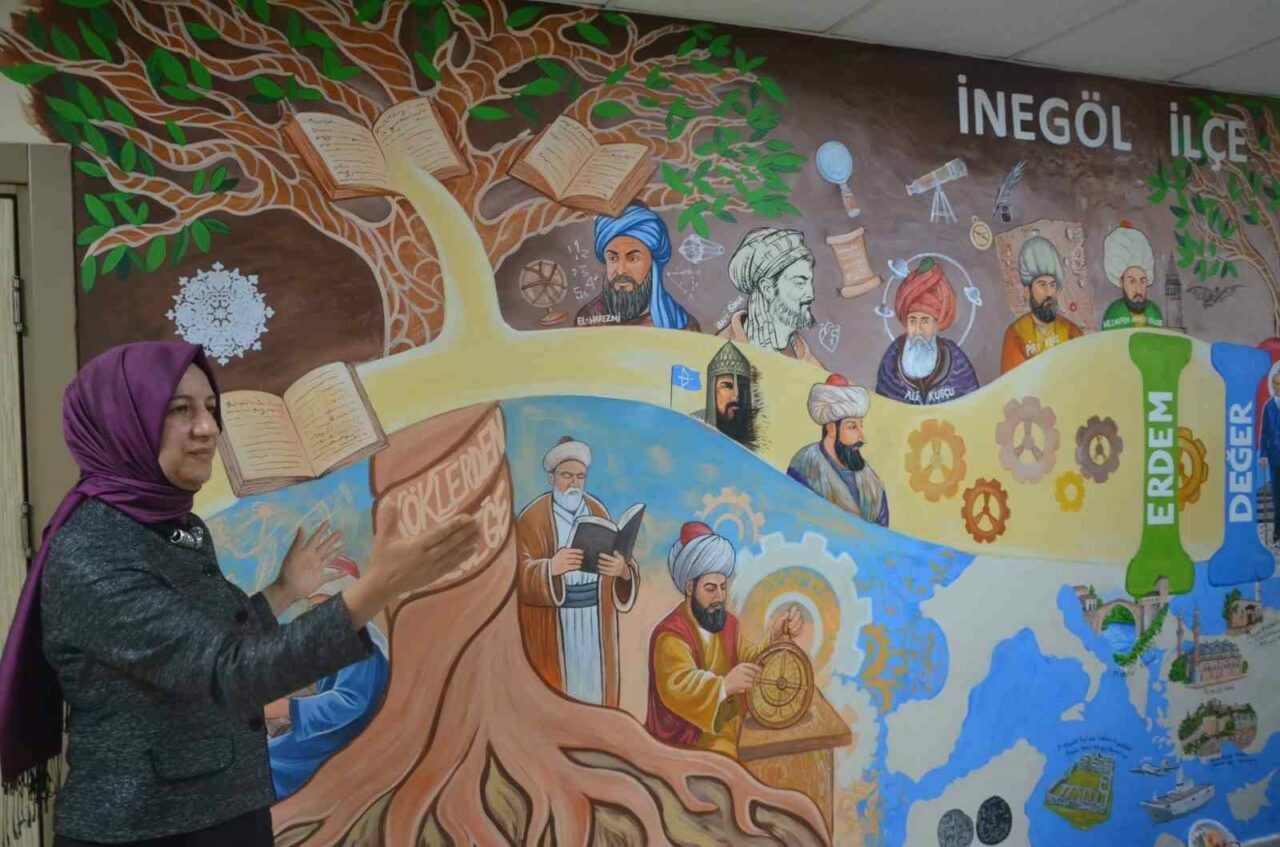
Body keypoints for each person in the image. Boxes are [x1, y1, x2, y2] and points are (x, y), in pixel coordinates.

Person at [0, 341, 478, 847]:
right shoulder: (94, 553)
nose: (207, 428)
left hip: (223, 810)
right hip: (147, 829)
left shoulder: (173, 526)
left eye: (211, 408)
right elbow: (229, 674)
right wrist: (377, 589)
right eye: (179, 410)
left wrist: (283, 592)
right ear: (122, 422)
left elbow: (199, 647)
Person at [644, 522, 800, 760]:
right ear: (690, 587)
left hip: (728, 730)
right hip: (685, 744)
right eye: (710, 588)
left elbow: (750, 661)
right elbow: (679, 687)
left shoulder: (728, 624)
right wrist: (724, 686)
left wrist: (775, 638)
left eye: (723, 587)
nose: (719, 597)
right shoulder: (670, 636)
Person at [515, 436, 638, 707]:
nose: (574, 483)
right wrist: (551, 568)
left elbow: (619, 555)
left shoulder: (597, 510)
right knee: (560, 696)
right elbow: (516, 576)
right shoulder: (532, 518)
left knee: (595, 691)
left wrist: (623, 571)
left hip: (596, 619)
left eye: (580, 477)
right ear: (552, 478)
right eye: (566, 475)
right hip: (555, 623)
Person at [265, 560, 390, 800]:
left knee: (264, 763)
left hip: (342, 740)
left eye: (322, 608)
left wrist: (286, 708)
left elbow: (350, 703)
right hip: (331, 732)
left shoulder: (360, 644)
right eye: (312, 609)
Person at [575, 204, 700, 331]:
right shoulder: (588, 318)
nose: (620, 270)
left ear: (653, 263)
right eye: (613, 258)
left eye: (633, 259)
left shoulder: (681, 326)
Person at [788, 375, 889, 527]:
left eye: (860, 426)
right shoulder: (804, 467)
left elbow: (882, 532)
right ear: (831, 428)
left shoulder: (872, 484)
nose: (862, 437)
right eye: (852, 427)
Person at [875, 258, 979, 404]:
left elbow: (972, 405)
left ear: (936, 323)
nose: (918, 330)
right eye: (912, 321)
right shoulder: (892, 359)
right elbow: (883, 408)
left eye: (925, 321)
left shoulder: (956, 359)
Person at [719, 227, 823, 365]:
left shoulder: (811, 365)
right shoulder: (720, 353)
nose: (811, 294)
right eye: (800, 283)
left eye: (810, 282)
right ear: (767, 288)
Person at [1000, 235, 1083, 373]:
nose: (1049, 293)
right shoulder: (1015, 335)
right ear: (1027, 291)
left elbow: (1084, 371)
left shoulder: (1071, 331)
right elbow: (1014, 382)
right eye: (1042, 285)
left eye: (1053, 285)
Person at [690, 341, 760, 450]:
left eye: (742, 386)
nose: (736, 395)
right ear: (712, 389)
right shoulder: (692, 426)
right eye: (727, 386)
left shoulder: (755, 446)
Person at [1101, 222, 1164, 330]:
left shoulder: (1154, 312)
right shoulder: (1113, 313)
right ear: (1121, 282)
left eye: (1142, 281)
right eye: (1132, 281)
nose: (1138, 290)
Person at [1261, 362, 1280, 543]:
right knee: (1276, 495)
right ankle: (1277, 530)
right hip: (1275, 457)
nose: (1277, 387)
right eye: (1275, 383)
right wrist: (1263, 455)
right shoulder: (1269, 406)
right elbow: (1264, 433)